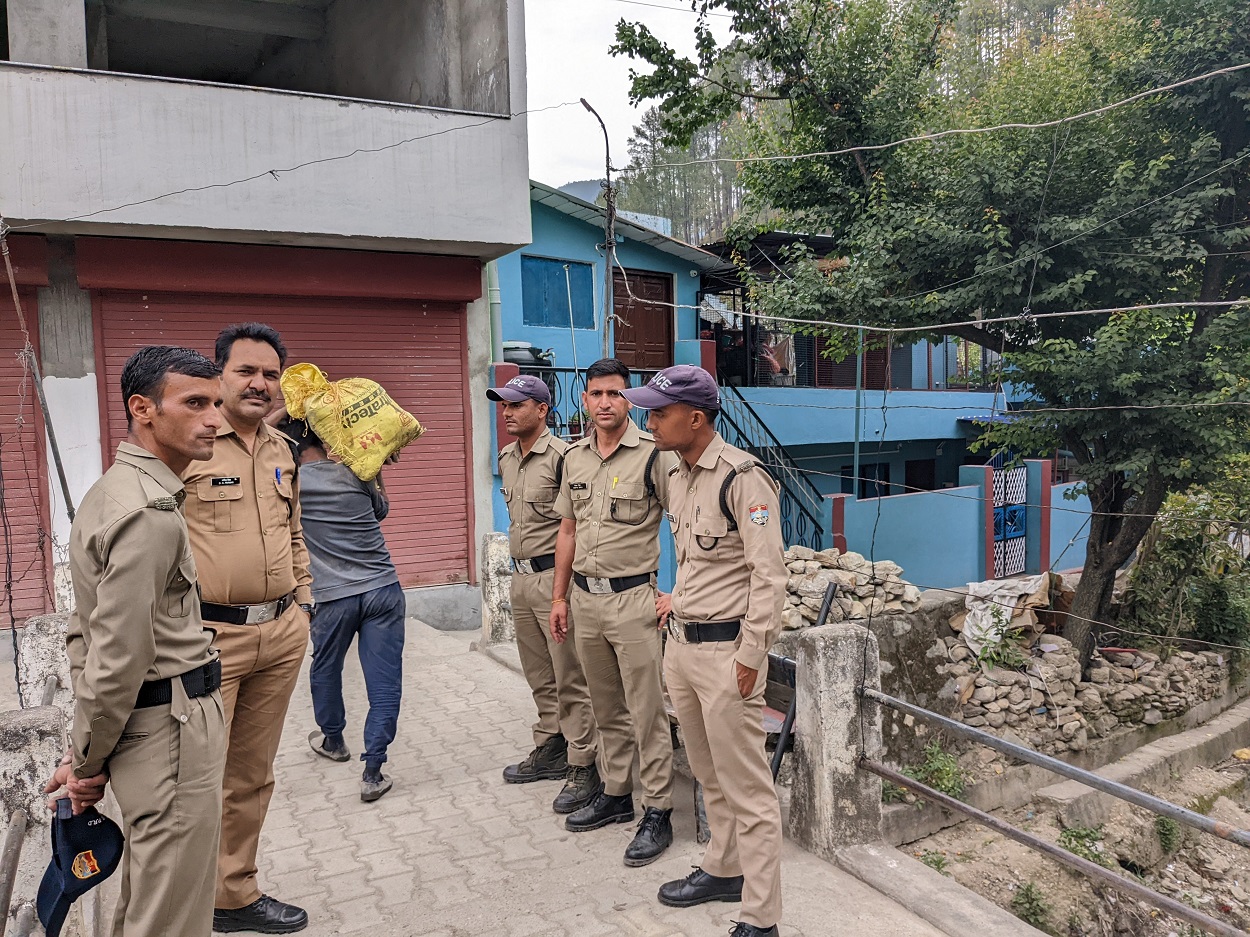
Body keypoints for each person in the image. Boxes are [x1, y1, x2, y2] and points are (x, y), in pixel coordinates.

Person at [44, 345, 227, 937]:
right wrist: (86, 767)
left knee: (153, 898)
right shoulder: (147, 511)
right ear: (142, 409)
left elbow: (87, 634)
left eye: (216, 404)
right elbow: (118, 656)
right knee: (170, 913)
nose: (215, 420)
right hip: (168, 728)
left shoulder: (114, 490)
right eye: (195, 403)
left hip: (145, 726)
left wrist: (83, 748)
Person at [621, 365, 788, 937]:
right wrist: (676, 600)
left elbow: (769, 576)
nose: (650, 420)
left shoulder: (744, 478)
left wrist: (751, 654)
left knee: (748, 787)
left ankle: (762, 915)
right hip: (683, 647)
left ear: (695, 418)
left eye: (659, 413)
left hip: (727, 655)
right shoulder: (677, 470)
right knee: (708, 773)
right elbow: (694, 556)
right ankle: (723, 867)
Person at [183, 322, 312, 935]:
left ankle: (233, 896)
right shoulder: (191, 446)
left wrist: (304, 605)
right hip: (210, 640)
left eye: (270, 374)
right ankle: (180, 905)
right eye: (246, 371)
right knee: (195, 778)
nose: (259, 383)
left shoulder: (283, 449)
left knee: (251, 776)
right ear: (219, 375)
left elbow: (294, 534)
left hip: (280, 634)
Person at [549, 358, 676, 867]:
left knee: (647, 710)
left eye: (615, 394)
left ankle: (659, 809)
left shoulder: (653, 456)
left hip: (633, 602)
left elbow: (686, 523)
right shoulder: (574, 458)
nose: (605, 402)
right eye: (597, 393)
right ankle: (617, 793)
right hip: (585, 599)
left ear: (630, 400)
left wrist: (677, 593)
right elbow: (567, 532)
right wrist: (559, 598)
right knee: (606, 706)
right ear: (584, 399)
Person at [274, 414, 405, 803]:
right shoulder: (355, 472)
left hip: (332, 597)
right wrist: (376, 468)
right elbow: (380, 512)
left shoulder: (287, 484)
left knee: (326, 667)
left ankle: (333, 740)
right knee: (385, 682)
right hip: (383, 589)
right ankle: (373, 770)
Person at [488, 374, 600, 816]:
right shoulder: (508, 457)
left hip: (556, 580)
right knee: (539, 673)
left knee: (570, 675)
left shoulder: (563, 458)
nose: (507, 412)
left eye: (516, 404)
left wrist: (564, 590)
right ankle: (551, 746)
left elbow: (577, 527)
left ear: (541, 409)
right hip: (520, 579)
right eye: (504, 405)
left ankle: (583, 762)